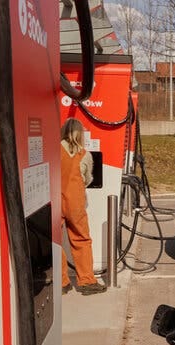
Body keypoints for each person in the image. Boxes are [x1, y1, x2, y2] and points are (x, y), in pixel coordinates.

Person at [61, 117, 106, 295]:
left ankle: (62, 283)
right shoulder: (84, 154)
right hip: (75, 202)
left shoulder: (54, 149)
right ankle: (87, 282)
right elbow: (87, 179)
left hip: (55, 200)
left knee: (55, 243)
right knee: (81, 239)